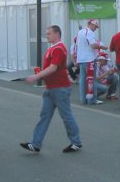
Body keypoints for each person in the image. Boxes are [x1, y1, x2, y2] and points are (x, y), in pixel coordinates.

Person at [20, 25, 82, 153]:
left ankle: (76, 142)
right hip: (52, 88)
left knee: (66, 116)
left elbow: (53, 68)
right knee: (45, 116)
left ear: (56, 34)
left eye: (49, 33)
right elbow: (51, 68)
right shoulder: (53, 49)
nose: (46, 35)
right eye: (46, 33)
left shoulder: (58, 49)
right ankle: (36, 143)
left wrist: (36, 76)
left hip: (60, 88)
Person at [75, 19, 107, 105]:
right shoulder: (89, 33)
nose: (95, 28)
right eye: (95, 26)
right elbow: (93, 45)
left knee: (83, 80)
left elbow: (77, 45)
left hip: (81, 59)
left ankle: (83, 99)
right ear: (90, 24)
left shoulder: (80, 32)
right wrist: (102, 47)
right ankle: (92, 99)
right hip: (89, 59)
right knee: (91, 80)